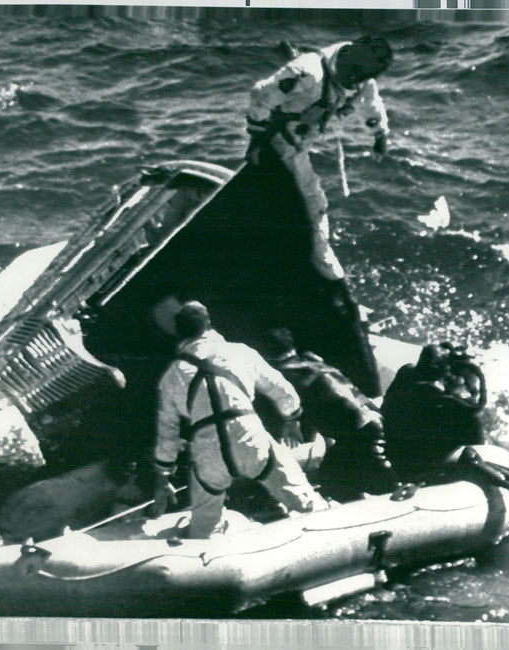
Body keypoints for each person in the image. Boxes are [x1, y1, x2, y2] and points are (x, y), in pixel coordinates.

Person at [151, 301, 328, 538]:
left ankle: (205, 544)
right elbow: (281, 389)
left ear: (178, 333)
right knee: (306, 503)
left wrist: (163, 476)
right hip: (250, 440)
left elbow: (167, 431)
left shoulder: (172, 375)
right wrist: (291, 418)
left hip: (208, 454)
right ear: (209, 324)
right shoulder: (240, 352)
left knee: (204, 529)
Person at [245, 36, 393, 283]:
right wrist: (256, 141)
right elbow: (261, 95)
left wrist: (380, 135)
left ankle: (291, 249)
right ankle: (326, 271)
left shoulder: (360, 76)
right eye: (355, 74)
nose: (356, 81)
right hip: (279, 143)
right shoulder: (308, 73)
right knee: (313, 202)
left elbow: (370, 103)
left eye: (363, 76)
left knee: (289, 200)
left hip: (299, 142)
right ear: (349, 59)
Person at [261, 327, 400, 502]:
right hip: (372, 420)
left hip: (362, 434)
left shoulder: (283, 375)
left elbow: (306, 428)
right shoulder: (312, 359)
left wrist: (293, 426)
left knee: (388, 490)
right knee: (332, 482)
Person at [381, 343, 487, 483]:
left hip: (394, 457)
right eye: (471, 388)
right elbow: (477, 446)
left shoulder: (408, 375)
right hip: (415, 472)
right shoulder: (458, 409)